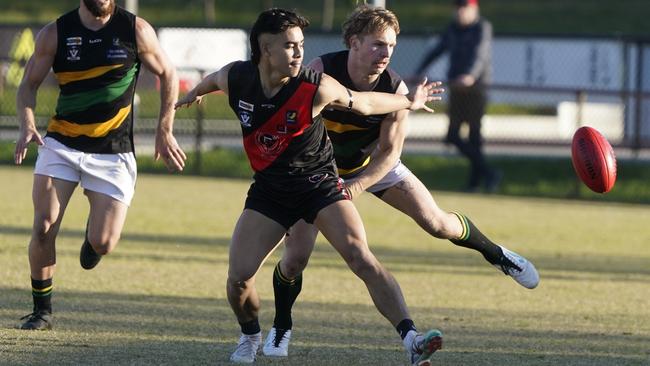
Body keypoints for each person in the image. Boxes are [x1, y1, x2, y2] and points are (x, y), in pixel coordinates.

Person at [262, 5, 539, 359]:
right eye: (378, 45)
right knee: (295, 258)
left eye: (391, 46)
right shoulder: (321, 70)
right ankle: (281, 327)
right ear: (354, 43)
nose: (385, 53)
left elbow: (390, 156)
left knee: (437, 223)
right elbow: (291, 123)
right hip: (316, 171)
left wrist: (357, 186)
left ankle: (498, 255)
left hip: (370, 166)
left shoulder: (396, 88)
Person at [175, 8, 444, 365]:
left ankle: (411, 339)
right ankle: (250, 334)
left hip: (319, 185)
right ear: (265, 49)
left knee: (360, 257)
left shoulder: (314, 85)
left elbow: (363, 103)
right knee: (238, 280)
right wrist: (195, 91)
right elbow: (213, 79)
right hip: (270, 191)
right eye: (289, 46)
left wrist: (410, 101)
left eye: (301, 45)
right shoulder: (239, 77)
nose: (299, 53)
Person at [14, 0, 186, 330]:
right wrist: (26, 123)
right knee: (44, 225)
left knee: (104, 242)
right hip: (61, 144)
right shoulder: (55, 33)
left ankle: (92, 240)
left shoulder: (136, 30)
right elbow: (27, 86)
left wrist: (165, 130)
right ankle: (42, 311)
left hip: (113, 150)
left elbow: (168, 74)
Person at [414, 0, 500, 192]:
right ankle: (488, 174)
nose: (460, 12)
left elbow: (480, 54)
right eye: (458, 8)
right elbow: (437, 50)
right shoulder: (453, 28)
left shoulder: (482, 28)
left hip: (476, 88)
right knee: (452, 136)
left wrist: (470, 75)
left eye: (465, 8)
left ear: (474, 9)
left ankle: (475, 183)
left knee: (474, 136)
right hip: (456, 86)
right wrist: (419, 70)